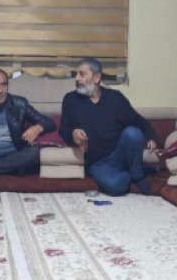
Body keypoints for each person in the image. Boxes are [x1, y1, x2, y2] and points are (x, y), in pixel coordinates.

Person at [58, 57, 156, 195]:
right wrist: (73, 134)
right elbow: (63, 129)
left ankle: (137, 175)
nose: (77, 78)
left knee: (133, 133)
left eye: (82, 74)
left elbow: (137, 120)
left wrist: (150, 136)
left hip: (119, 152)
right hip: (99, 162)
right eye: (76, 74)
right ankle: (126, 173)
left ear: (97, 77)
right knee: (116, 186)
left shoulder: (115, 98)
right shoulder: (70, 99)